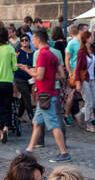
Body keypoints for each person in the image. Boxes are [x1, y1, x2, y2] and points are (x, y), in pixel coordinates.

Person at [26, 29, 71, 161]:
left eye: (33, 39)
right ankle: (29, 149)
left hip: (46, 95)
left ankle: (64, 153)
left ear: (38, 39)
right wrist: (49, 77)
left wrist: (27, 70)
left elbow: (39, 75)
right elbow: (62, 75)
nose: (32, 42)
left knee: (54, 125)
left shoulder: (41, 55)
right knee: (37, 123)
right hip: (49, 93)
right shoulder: (53, 54)